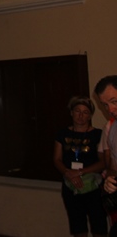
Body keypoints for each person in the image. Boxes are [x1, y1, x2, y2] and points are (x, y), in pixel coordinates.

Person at [54, 96, 107, 237]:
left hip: (93, 185)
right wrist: (68, 173)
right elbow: (57, 159)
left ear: (90, 115)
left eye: (85, 112)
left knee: (99, 226)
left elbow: (103, 162)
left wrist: (80, 172)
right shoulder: (62, 134)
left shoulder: (98, 134)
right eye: (77, 111)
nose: (81, 115)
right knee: (78, 226)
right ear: (71, 112)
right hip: (71, 184)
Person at [96, 76, 117, 236]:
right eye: (105, 104)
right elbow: (114, 167)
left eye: (114, 101)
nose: (110, 110)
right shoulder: (113, 129)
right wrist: (111, 180)